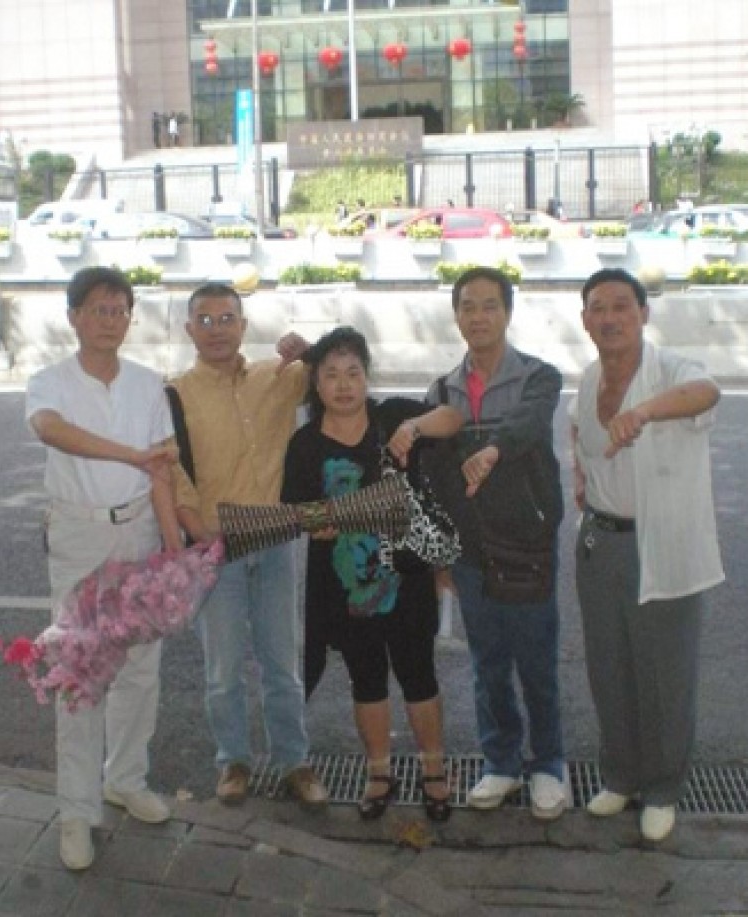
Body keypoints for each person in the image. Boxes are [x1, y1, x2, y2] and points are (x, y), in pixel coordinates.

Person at [25, 266, 182, 871]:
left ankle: (126, 778)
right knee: (80, 669)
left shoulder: (147, 385)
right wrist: (128, 454)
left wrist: (174, 552)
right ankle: (76, 811)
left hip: (140, 529)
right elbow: (52, 431)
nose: (110, 320)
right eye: (98, 309)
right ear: (74, 318)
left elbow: (161, 468)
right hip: (79, 532)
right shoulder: (49, 382)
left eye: (120, 310)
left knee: (141, 665)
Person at [281, 327, 464, 821]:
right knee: (366, 680)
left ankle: (434, 771)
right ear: (316, 385)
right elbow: (299, 514)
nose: (344, 385)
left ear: (367, 376)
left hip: (407, 578)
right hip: (346, 586)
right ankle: (378, 772)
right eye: (331, 375)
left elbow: (453, 417)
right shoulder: (305, 444)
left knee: (418, 675)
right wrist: (333, 520)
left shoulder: (392, 417)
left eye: (353, 373)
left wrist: (417, 429)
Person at [571, 268, 724, 842]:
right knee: (609, 667)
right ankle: (621, 777)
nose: (609, 318)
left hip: (661, 544)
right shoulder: (588, 378)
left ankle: (662, 788)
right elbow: (581, 440)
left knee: (665, 673)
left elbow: (705, 393)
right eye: (597, 309)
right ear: (585, 320)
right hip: (600, 543)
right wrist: (580, 474)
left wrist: (644, 412)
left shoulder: (672, 370)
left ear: (642, 315)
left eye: (621, 307)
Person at [169, 282, 327, 809]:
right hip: (218, 548)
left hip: (276, 540)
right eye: (205, 320)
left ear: (243, 325)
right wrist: (198, 528)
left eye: (227, 318)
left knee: (282, 660)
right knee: (224, 667)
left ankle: (294, 761)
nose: (217, 329)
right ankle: (232, 761)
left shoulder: (276, 378)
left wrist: (305, 348)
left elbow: (337, 374)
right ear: (190, 329)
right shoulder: (175, 394)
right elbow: (173, 467)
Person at [423, 266, 567, 820]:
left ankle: (549, 765)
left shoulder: (538, 377)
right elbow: (432, 481)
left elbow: (531, 425)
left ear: (507, 313)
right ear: (456, 315)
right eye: (467, 306)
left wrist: (493, 450)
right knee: (487, 663)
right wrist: (440, 554)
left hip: (527, 547)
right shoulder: (442, 391)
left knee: (536, 661)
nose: (478, 316)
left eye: (489, 305)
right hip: (469, 552)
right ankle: (501, 763)